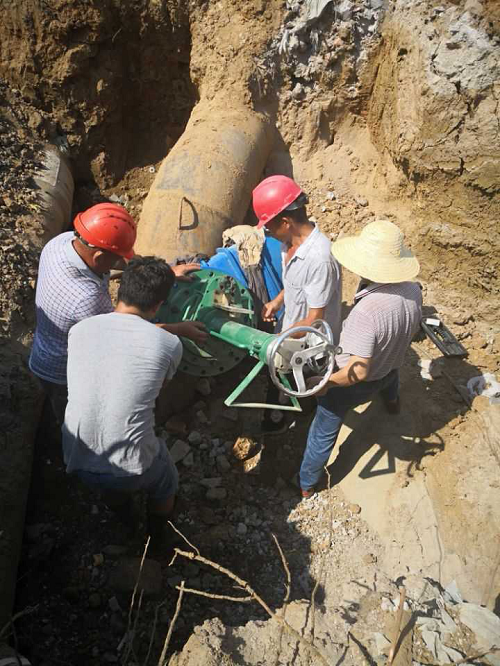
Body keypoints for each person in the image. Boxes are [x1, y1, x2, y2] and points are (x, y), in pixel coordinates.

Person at [29, 203, 206, 424]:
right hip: (61, 371)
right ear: (98, 257)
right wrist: (178, 329)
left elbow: (120, 259)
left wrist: (164, 273)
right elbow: (123, 334)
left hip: (44, 346)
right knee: (74, 418)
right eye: (115, 258)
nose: (120, 261)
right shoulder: (87, 298)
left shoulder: (62, 242)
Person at [62, 256, 183, 550]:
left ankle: (124, 520)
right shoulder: (169, 344)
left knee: (112, 487)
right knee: (167, 479)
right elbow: (158, 389)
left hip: (76, 459)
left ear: (119, 289)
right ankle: (158, 538)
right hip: (132, 470)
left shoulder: (79, 330)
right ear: (158, 305)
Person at [300, 219, 423, 498]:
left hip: (356, 383)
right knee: (390, 380)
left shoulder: (366, 312)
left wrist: (326, 383)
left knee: (323, 428)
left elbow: (358, 371)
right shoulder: (413, 291)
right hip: (391, 365)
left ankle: (307, 483)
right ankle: (392, 404)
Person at [252, 175, 342, 433]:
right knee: (279, 374)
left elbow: (314, 319)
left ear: (285, 222)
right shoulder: (288, 245)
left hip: (309, 343)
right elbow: (294, 284)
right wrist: (277, 301)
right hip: (291, 327)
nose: (268, 232)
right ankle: (283, 409)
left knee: (301, 381)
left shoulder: (319, 259)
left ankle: (299, 412)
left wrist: (277, 341)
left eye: (269, 227)